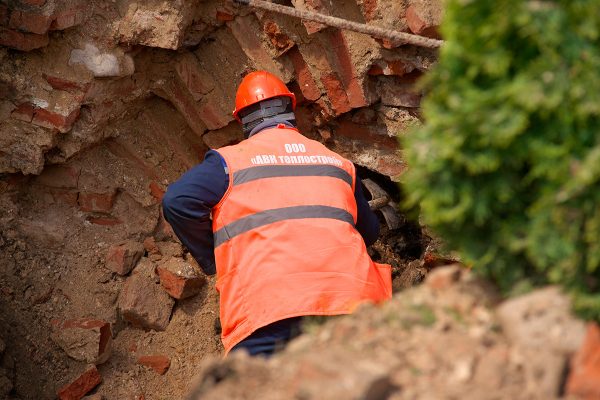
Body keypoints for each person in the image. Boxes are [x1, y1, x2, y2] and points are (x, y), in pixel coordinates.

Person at [162, 70, 392, 357]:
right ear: (290, 109)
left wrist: (213, 259)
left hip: (270, 314)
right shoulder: (338, 163)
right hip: (354, 307)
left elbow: (177, 200)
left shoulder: (229, 162)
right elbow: (369, 233)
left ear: (241, 120)